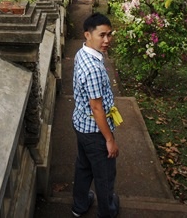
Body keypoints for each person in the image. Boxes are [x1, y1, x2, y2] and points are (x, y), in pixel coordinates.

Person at [71, 12, 122, 218]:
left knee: (84, 167)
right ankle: (107, 211)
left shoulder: (82, 53)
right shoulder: (93, 68)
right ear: (87, 34)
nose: (107, 40)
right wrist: (109, 139)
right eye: (102, 35)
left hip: (81, 124)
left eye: (109, 35)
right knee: (105, 175)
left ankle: (79, 205)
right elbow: (97, 108)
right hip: (95, 131)